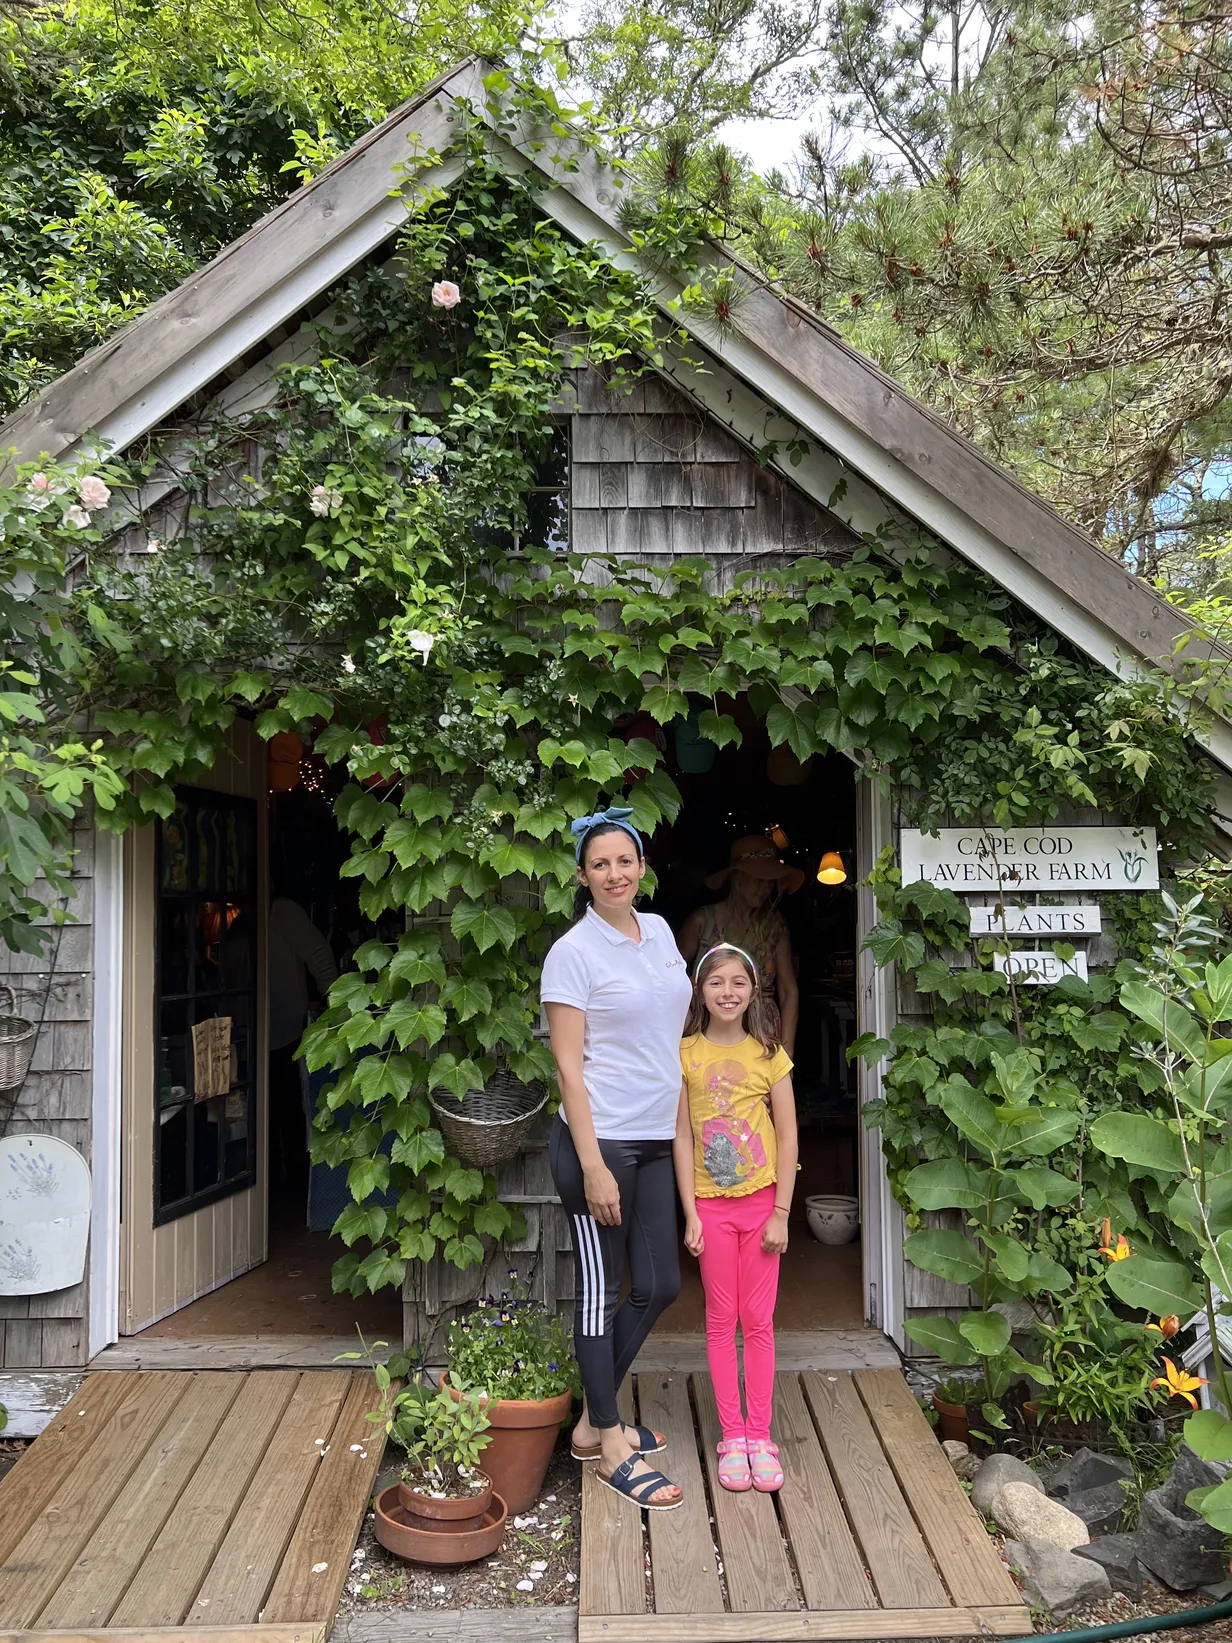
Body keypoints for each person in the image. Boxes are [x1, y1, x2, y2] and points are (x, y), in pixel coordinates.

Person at [541, 807, 692, 1512]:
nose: (614, 873)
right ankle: (607, 1441)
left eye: (624, 861)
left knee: (659, 1283)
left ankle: (587, 1419)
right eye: (599, 864)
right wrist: (593, 1162)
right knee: (601, 1292)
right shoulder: (573, 952)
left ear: (640, 868)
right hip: (599, 1145)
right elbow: (569, 1069)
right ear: (582, 874)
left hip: (658, 1137)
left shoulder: (658, 932)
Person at [674, 942, 798, 1493]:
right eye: (716, 982)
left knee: (760, 1320)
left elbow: (790, 1135)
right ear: (701, 992)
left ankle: (760, 1434)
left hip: (761, 1202)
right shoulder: (684, 1055)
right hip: (711, 1208)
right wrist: (690, 1213)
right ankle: (732, 1436)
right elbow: (681, 1136)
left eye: (738, 983)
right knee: (722, 1321)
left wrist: (781, 1212)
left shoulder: (770, 1055)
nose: (728, 992)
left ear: (753, 992)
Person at [678, 835, 801, 1056]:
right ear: (737, 878)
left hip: (761, 1032)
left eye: (770, 882)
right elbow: (672, 976)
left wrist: (787, 1051)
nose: (765, 888)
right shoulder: (702, 921)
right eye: (759, 879)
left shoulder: (775, 927)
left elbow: (788, 990)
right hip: (706, 1028)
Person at [268, 888, 338, 1187]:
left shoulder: (282, 911)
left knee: (292, 1112)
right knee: (269, 1114)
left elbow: (319, 954)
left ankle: (297, 1187)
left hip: (286, 1031)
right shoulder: (242, 915)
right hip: (257, 1034)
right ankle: (277, 1184)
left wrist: (337, 1004)